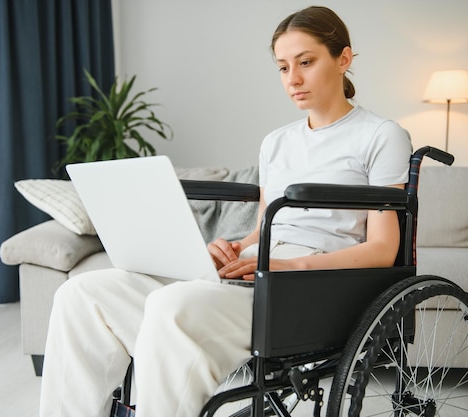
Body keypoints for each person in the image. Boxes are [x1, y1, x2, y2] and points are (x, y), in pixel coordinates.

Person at [39, 5, 412, 417]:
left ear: (343, 58)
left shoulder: (381, 135)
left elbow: (381, 248)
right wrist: (232, 248)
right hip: (260, 268)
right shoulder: (277, 142)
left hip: (312, 285)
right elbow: (262, 231)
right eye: (283, 67)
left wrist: (290, 268)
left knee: (172, 305)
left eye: (306, 62)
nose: (294, 79)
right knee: (82, 294)